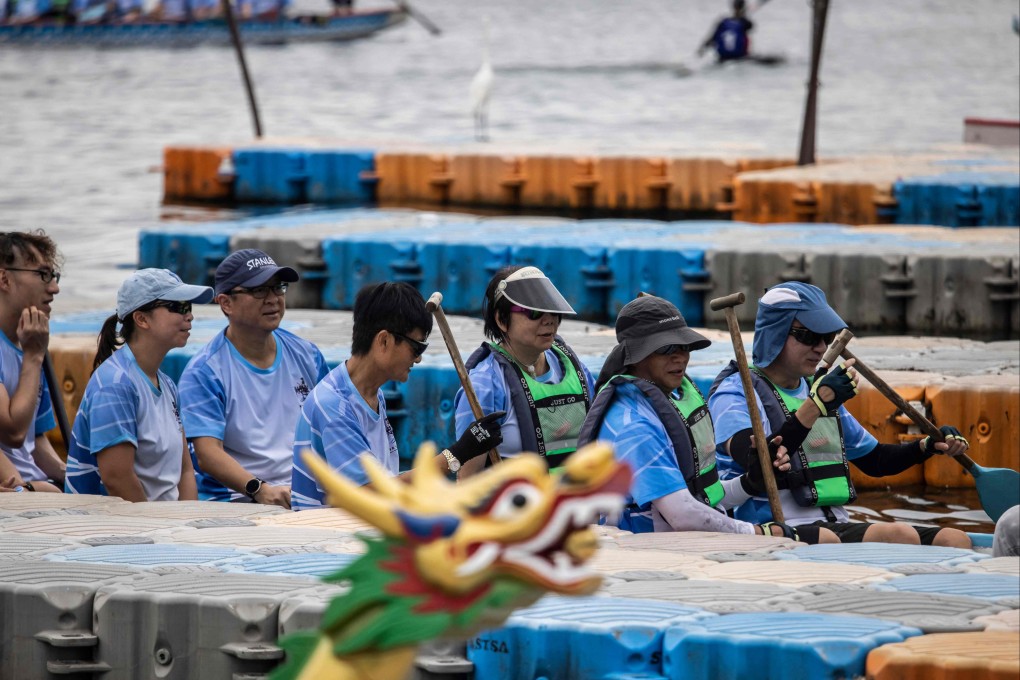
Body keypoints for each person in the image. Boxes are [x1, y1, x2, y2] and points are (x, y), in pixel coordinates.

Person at [708, 281, 973, 547]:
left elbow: (876, 461)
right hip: (775, 529)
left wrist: (926, 446)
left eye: (826, 337)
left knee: (954, 538)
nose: (821, 348)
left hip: (835, 526)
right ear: (776, 334)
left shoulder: (815, 391)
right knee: (899, 535)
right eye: (809, 337)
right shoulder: (734, 394)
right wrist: (816, 406)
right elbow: (761, 462)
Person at [576, 295, 797, 539]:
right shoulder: (633, 425)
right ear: (636, 356)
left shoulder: (665, 403)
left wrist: (750, 483)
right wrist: (760, 532)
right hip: (651, 551)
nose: (680, 357)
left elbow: (701, 496)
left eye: (684, 346)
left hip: (687, 540)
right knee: (817, 538)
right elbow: (682, 514)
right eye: (666, 349)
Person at [291, 282, 503, 510]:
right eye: (417, 348)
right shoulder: (334, 406)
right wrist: (457, 454)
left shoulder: (371, 394)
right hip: (327, 536)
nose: (419, 359)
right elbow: (371, 494)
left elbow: (385, 480)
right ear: (384, 341)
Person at [178, 249, 328, 509]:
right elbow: (207, 454)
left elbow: (332, 426)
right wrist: (260, 489)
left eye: (278, 288)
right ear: (226, 303)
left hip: (305, 493)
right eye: (259, 290)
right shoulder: (204, 372)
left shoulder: (308, 354)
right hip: (239, 500)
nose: (272, 299)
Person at [65, 269, 213, 501]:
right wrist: (162, 529)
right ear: (142, 319)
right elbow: (117, 479)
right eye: (179, 307)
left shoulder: (167, 385)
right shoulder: (115, 386)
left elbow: (184, 470)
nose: (190, 316)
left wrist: (188, 522)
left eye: (189, 307)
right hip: (124, 526)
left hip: (168, 524)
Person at [455, 265, 595, 477]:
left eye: (553, 310)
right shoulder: (485, 385)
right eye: (534, 312)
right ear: (502, 320)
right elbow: (467, 480)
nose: (549, 320)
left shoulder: (578, 371)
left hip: (575, 507)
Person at [0, 231, 65, 494]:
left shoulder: (27, 344)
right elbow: (12, 434)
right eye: (43, 275)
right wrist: (33, 357)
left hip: (32, 485)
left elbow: (34, 438)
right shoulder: (32, 350)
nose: (54, 288)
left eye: (54, 276)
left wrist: (72, 475)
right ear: (5, 279)